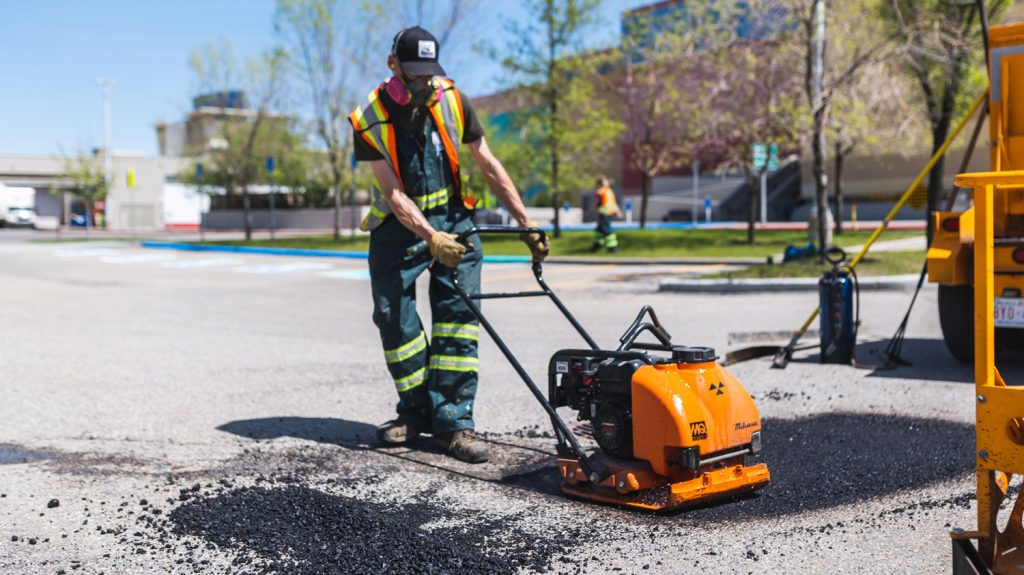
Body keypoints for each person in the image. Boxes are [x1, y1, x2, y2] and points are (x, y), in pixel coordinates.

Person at [348, 26, 548, 464]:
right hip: (401, 230)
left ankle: (454, 424)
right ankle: (417, 412)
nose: (422, 85)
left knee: (458, 320)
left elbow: (488, 163)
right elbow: (393, 192)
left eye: (428, 75)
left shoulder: (453, 99)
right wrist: (430, 237)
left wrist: (526, 223)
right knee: (392, 319)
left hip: (456, 221)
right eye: (413, 76)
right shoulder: (369, 118)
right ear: (393, 65)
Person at [590, 177, 620, 253]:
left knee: (607, 230)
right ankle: (597, 245)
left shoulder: (601, 192)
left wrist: (591, 209)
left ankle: (613, 247)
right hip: (608, 213)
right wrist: (618, 211)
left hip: (604, 213)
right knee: (599, 230)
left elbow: (596, 202)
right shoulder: (609, 191)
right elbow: (614, 203)